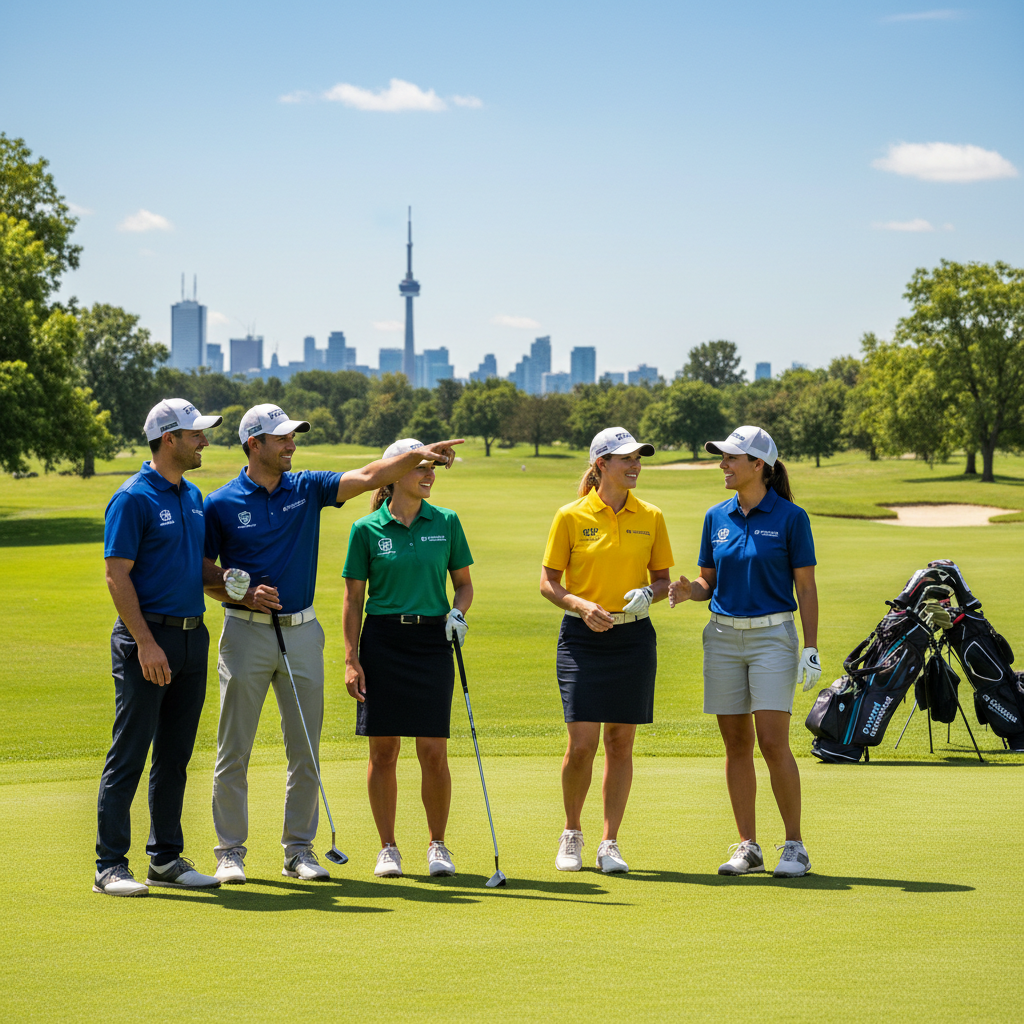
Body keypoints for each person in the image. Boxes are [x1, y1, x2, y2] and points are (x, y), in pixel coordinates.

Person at [202, 407, 462, 884]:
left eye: (293, 437)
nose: (291, 445)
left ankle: (298, 850)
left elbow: (368, 476)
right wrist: (238, 589)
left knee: (305, 749)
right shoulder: (219, 504)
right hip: (244, 632)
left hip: (301, 632)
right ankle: (230, 852)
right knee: (233, 748)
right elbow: (202, 572)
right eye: (281, 438)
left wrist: (417, 456)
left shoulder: (307, 487)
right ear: (253, 444)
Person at [669, 425, 820, 878]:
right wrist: (687, 590)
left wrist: (810, 647)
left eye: (732, 458)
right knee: (736, 744)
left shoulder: (791, 517)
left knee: (773, 742)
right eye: (723, 457)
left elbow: (806, 588)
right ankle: (748, 846)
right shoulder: (716, 517)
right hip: (722, 638)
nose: (723, 464)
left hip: (773, 637)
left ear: (760, 465)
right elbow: (707, 582)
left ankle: (794, 847)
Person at [95, 398, 224, 896]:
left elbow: (194, 567)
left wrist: (231, 583)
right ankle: (110, 865)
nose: (204, 441)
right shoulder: (132, 498)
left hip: (193, 636)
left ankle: (165, 859)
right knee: (129, 753)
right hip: (147, 639)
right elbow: (116, 574)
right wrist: (146, 644)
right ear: (168, 439)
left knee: (174, 756)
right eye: (195, 435)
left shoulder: (191, 496)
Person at [540, 427, 674, 874]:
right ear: (601, 465)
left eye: (639, 458)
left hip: (633, 638)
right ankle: (572, 833)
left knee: (620, 743)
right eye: (626, 459)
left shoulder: (651, 516)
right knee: (582, 743)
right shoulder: (571, 516)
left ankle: (609, 842)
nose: (635, 465)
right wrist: (579, 603)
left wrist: (649, 595)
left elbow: (661, 580)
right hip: (581, 638)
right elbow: (549, 582)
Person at [342, 438, 473, 879]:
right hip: (382, 642)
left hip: (434, 642)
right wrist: (350, 658)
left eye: (432, 468)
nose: (429, 474)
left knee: (433, 750)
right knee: (384, 751)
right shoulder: (366, 530)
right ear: (395, 473)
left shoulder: (448, 522)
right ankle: (388, 848)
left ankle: (437, 845)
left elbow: (465, 585)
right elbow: (353, 599)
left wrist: (458, 611)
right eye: (420, 467)